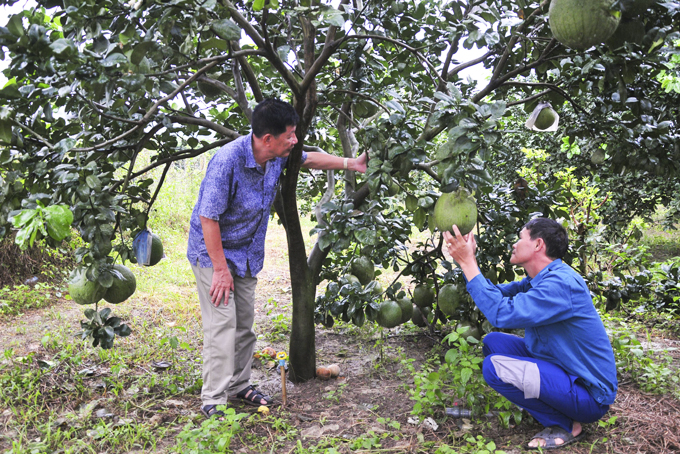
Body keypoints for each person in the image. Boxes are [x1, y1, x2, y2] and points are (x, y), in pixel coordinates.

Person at [187, 98, 368, 418]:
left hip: (246, 254)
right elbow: (208, 218)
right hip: (213, 253)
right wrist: (219, 270)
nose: (296, 140)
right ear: (267, 138)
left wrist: (351, 164)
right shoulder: (227, 161)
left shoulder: (277, 157)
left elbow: (310, 159)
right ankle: (213, 399)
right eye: (291, 134)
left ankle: (239, 385)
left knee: (245, 326)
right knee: (223, 325)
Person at [444, 218, 617, 450]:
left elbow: (500, 313)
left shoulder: (560, 285)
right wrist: (467, 262)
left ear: (538, 245)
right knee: (494, 343)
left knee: (494, 367)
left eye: (520, 238)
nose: (514, 244)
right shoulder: (540, 278)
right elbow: (493, 295)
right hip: (563, 368)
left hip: (588, 395)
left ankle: (565, 424)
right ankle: (546, 403)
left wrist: (468, 262)